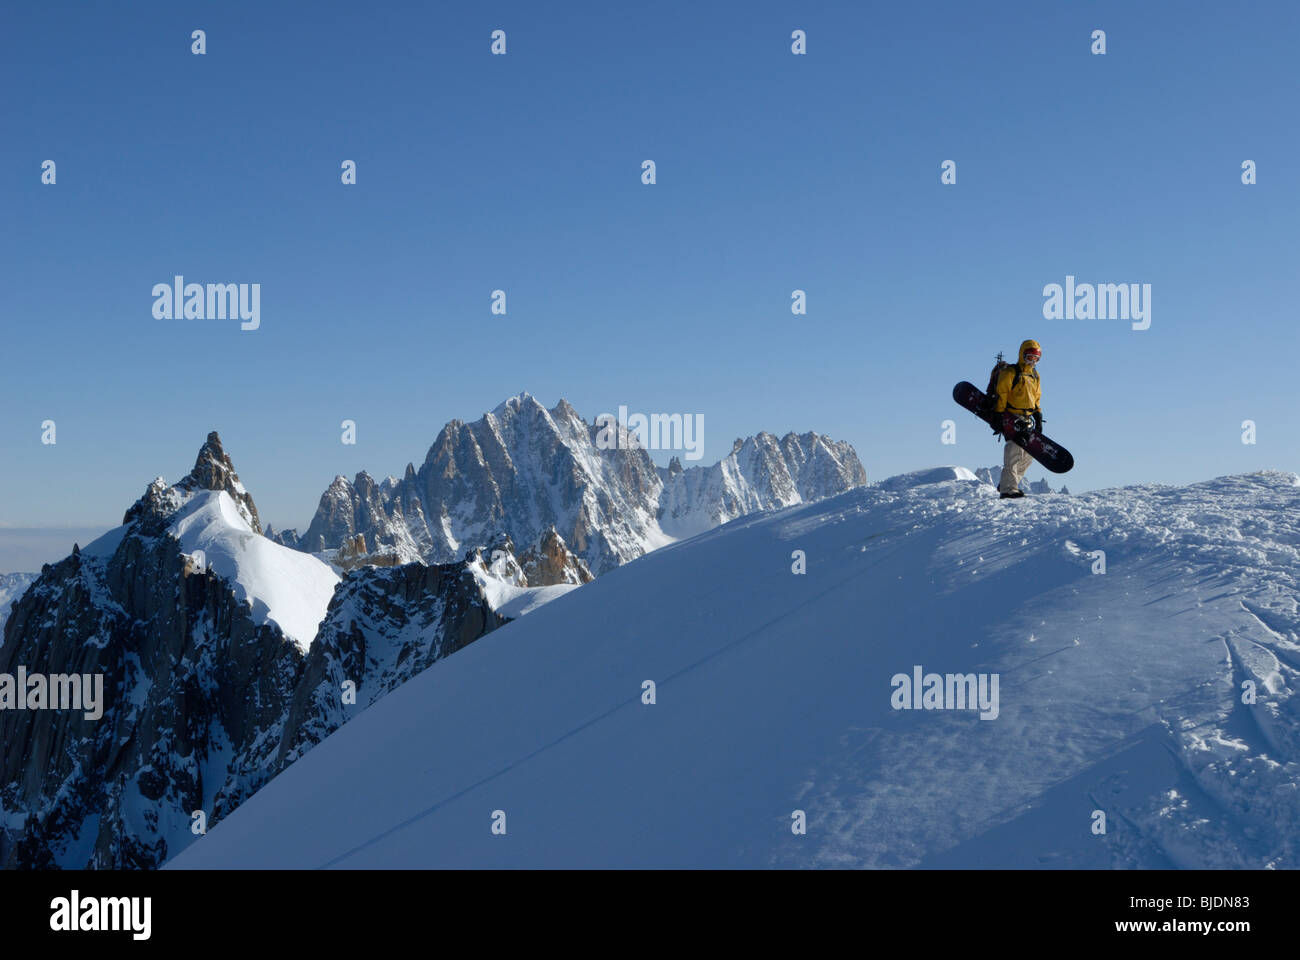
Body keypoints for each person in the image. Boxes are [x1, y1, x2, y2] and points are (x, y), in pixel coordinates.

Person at [992, 339, 1042, 499]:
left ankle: (1007, 482)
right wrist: (999, 416)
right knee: (1014, 450)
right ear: (1022, 355)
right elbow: (1002, 394)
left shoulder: (1034, 375)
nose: (1032, 361)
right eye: (1029, 357)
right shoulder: (1011, 373)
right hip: (1011, 416)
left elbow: (1036, 396)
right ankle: (1008, 489)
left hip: (1027, 418)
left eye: (1036, 359)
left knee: (1029, 454)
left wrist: (1038, 414)